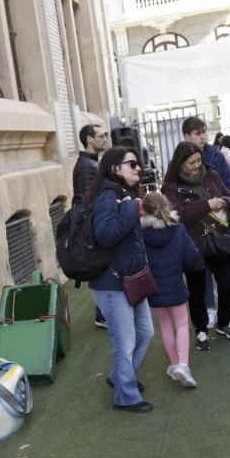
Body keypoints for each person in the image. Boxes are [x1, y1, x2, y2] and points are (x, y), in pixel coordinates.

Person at [87, 146, 155, 413]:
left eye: (138, 163)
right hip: (111, 281)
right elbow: (104, 235)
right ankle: (125, 396)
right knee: (124, 341)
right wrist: (129, 211)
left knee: (146, 333)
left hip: (130, 278)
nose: (138, 168)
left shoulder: (125, 195)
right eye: (132, 164)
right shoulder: (107, 196)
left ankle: (119, 378)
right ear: (115, 168)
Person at [162, 141, 230, 351]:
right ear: (180, 164)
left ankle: (224, 322)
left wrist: (225, 202)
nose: (197, 165)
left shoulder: (211, 174)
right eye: (191, 162)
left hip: (218, 240)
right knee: (196, 290)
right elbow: (178, 215)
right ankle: (201, 329)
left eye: (199, 160)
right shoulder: (171, 188)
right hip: (193, 245)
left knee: (228, 282)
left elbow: (228, 195)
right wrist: (207, 204)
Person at [140, 192, 199, 388]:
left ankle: (175, 365)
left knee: (165, 325)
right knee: (182, 324)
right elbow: (192, 256)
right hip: (175, 283)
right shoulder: (179, 229)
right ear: (167, 206)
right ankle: (183, 364)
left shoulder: (141, 233)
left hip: (155, 287)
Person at [74, 124, 110, 329]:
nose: (104, 138)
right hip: (93, 227)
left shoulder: (91, 163)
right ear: (89, 139)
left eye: (105, 135)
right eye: (100, 136)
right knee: (99, 269)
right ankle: (102, 314)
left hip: (94, 225)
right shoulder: (86, 165)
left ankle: (102, 313)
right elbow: (88, 200)